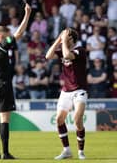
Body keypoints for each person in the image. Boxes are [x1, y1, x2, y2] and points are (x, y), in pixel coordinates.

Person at [0, 3, 31, 159]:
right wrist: (27, 14)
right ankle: (5, 152)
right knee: (5, 119)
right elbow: (19, 33)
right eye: (7, 34)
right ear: (1, 36)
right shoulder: (3, 45)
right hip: (3, 84)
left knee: (1, 116)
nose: (10, 36)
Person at [46, 28, 87, 160]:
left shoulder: (80, 50)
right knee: (59, 120)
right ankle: (67, 150)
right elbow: (48, 56)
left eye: (67, 37)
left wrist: (63, 41)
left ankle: (81, 151)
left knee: (77, 120)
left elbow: (68, 55)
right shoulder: (63, 48)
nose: (64, 39)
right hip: (66, 91)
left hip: (79, 90)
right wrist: (58, 39)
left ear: (72, 39)